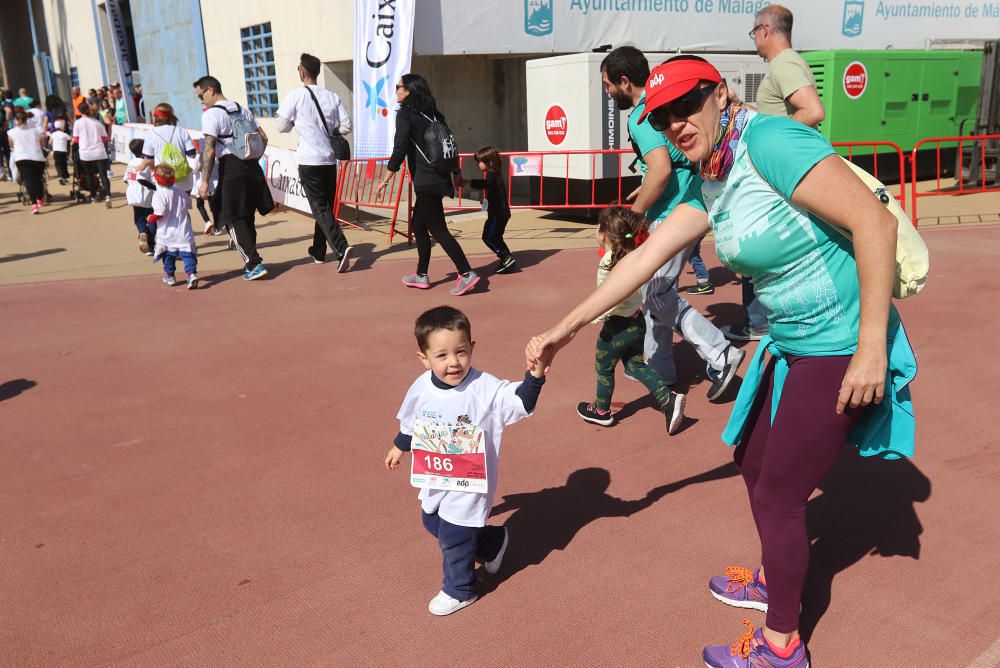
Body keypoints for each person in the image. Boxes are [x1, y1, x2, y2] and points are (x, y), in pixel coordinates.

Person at [526, 56, 915, 667]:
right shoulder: (711, 170)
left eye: (688, 105)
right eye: (664, 116)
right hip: (789, 342)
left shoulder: (771, 141)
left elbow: (874, 223)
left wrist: (870, 347)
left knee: (782, 494)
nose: (677, 123)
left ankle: (782, 645)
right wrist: (566, 327)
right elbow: (644, 257)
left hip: (838, 342)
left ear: (720, 94)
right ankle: (775, 578)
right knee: (754, 462)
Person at [600, 46, 743, 401]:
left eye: (607, 86)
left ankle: (719, 352)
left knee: (656, 292)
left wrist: (635, 217)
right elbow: (666, 164)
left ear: (623, 80)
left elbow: (662, 169)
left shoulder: (640, 116)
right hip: (690, 201)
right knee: (657, 291)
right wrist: (648, 181)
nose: (607, 93)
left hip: (675, 212)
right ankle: (661, 364)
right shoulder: (664, 99)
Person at [385, 305, 547, 616]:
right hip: (436, 475)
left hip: (471, 481)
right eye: (442, 356)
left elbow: (519, 401)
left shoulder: (484, 388)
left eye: (460, 352)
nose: (453, 362)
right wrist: (399, 447)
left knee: (455, 537)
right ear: (424, 358)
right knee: (432, 521)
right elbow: (411, 421)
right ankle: (491, 542)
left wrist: (535, 375)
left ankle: (460, 589)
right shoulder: (421, 387)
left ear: (472, 348)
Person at [577, 206, 686, 434]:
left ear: (604, 234)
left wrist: (593, 316)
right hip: (637, 322)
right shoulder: (634, 254)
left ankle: (601, 410)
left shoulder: (608, 262)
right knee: (635, 365)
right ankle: (668, 400)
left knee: (604, 367)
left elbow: (607, 297)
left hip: (616, 327)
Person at [376, 74, 480, 296]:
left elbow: (400, 147)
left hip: (426, 180)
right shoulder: (433, 114)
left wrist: (386, 177)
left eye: (398, 87)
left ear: (409, 90)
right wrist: (457, 172)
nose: (396, 91)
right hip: (438, 177)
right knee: (419, 226)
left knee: (439, 229)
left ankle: (466, 272)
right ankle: (421, 275)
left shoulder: (406, 114)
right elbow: (449, 146)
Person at [276, 52, 354, 272]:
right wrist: (331, 130)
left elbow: (281, 126)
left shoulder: (296, 96)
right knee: (325, 207)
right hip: (329, 160)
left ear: (302, 72)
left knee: (320, 208)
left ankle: (341, 247)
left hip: (309, 160)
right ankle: (319, 250)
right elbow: (347, 126)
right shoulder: (332, 96)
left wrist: (296, 124)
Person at [194, 75, 275, 281]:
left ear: (210, 90)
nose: (200, 100)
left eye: (200, 95)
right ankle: (252, 260)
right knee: (247, 215)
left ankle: (253, 263)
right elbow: (263, 137)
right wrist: (252, 156)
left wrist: (204, 181)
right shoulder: (241, 108)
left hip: (231, 168)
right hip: (251, 165)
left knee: (230, 216)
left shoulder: (211, 114)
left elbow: (210, 151)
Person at [751, 5, 825, 128]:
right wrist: (740, 104)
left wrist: (775, 133)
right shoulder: (787, 61)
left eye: (754, 32)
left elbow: (814, 111)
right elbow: (773, 115)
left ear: (764, 31)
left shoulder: (783, 64)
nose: (754, 39)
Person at [149, 163, 205, 289]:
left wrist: (150, 218)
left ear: (157, 180)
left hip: (167, 232)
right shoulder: (180, 191)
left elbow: (159, 212)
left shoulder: (159, 194)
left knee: (168, 254)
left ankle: (170, 275)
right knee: (187, 254)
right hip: (183, 230)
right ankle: (191, 274)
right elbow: (188, 205)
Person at [466, 145, 516, 273]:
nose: (478, 165)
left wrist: (467, 182)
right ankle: (507, 258)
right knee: (496, 237)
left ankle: (506, 257)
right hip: (500, 213)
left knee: (488, 237)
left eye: (480, 162)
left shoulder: (492, 174)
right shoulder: (494, 174)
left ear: (489, 161)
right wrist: (486, 200)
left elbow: (486, 184)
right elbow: (491, 189)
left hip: (498, 214)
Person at [140, 102, 197, 192]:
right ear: (171, 116)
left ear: (156, 117)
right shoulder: (181, 131)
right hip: (184, 179)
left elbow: (148, 159)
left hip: (163, 179)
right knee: (183, 205)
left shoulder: (151, 134)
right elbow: (192, 154)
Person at [8, 107, 48, 214]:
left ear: (16, 120)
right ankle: (40, 197)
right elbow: (42, 143)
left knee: (28, 180)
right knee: (38, 179)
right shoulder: (35, 131)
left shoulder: (11, 132)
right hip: (37, 157)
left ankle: (34, 204)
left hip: (22, 158)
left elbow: (11, 146)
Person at [73, 102, 112, 207]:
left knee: (89, 175)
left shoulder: (78, 123)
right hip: (99, 151)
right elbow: (104, 138)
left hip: (85, 152)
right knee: (103, 175)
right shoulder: (97, 122)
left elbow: (75, 139)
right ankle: (108, 196)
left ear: (79, 111)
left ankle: (93, 196)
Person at [124, 139, 156, 255]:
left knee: (139, 218)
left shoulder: (131, 163)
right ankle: (151, 244)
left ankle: (142, 232)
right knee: (152, 219)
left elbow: (126, 179)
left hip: (134, 196)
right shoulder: (146, 164)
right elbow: (153, 180)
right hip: (148, 196)